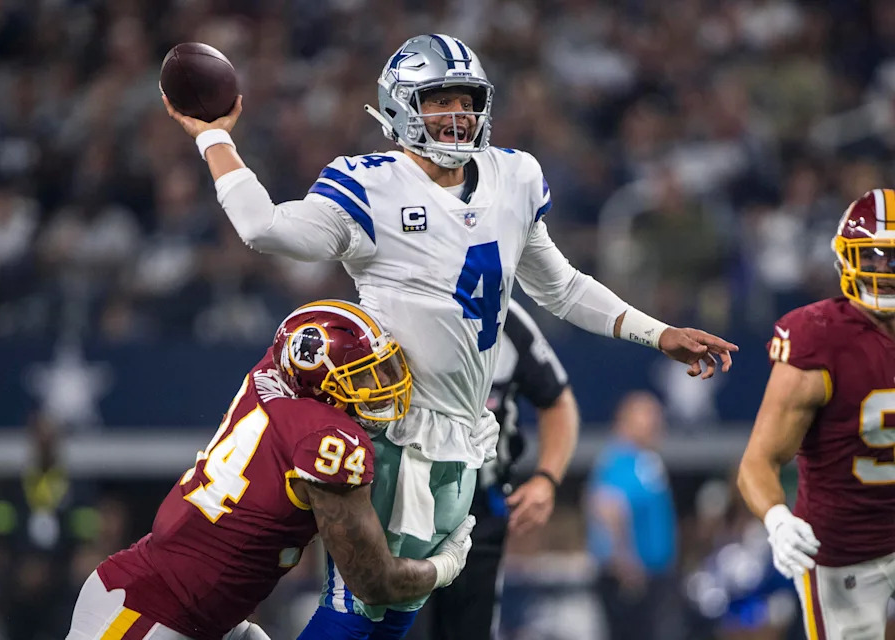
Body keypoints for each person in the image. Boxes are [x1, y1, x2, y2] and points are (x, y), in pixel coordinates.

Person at [163, 33, 737, 638]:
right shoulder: (370, 185)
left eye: (466, 100)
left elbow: (562, 287)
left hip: (465, 435)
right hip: (391, 430)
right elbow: (264, 228)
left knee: (395, 613)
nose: (457, 115)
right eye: (439, 101)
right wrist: (214, 137)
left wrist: (658, 333)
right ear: (399, 106)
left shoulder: (514, 176)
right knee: (361, 606)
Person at [65, 299, 476, 640]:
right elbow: (373, 582)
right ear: (321, 387)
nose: (382, 385)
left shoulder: (273, 371)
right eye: (363, 376)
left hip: (195, 611)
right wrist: (444, 567)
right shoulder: (328, 440)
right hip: (147, 613)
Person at [737, 189, 895, 640]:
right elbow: (757, 462)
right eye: (874, 257)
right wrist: (776, 519)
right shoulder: (819, 339)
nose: (886, 271)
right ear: (846, 259)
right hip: (845, 549)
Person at [411, 299, 579, 640]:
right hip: (400, 506)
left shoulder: (506, 317)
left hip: (478, 510)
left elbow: (558, 401)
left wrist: (546, 479)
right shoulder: (388, 300)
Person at [585, 391, 678, 640]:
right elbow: (608, 508)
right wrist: (625, 562)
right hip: (630, 579)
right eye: (649, 417)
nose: (657, 424)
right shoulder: (620, 459)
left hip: (651, 577)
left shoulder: (645, 460)